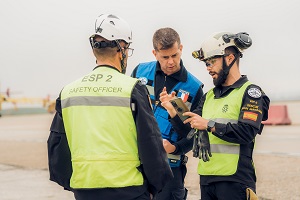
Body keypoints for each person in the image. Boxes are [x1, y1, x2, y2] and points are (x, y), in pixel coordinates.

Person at [47, 13, 173, 200]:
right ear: (121, 49)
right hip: (129, 189)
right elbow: (150, 143)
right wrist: (156, 185)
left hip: (85, 189)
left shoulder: (68, 92)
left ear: (94, 50)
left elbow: (57, 147)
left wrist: (76, 184)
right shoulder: (132, 88)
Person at [159, 32, 270, 200]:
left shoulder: (250, 93)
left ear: (230, 58)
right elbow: (189, 129)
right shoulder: (209, 96)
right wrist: (173, 110)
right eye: (206, 63)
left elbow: (247, 132)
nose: (208, 68)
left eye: (212, 62)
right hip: (207, 180)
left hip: (235, 181)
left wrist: (209, 124)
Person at [131, 27, 204, 200]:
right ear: (154, 53)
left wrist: (175, 148)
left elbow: (194, 135)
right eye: (165, 57)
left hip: (170, 170)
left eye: (175, 55)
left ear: (181, 49)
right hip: (136, 165)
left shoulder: (194, 88)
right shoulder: (139, 72)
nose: (171, 61)